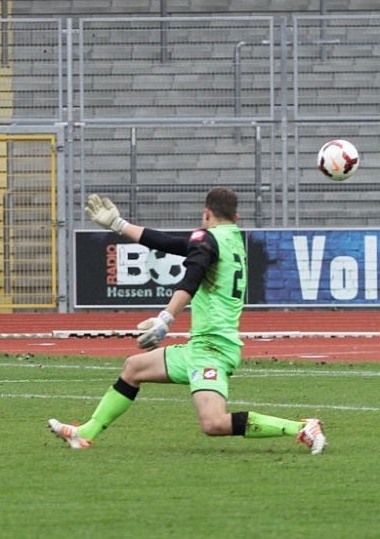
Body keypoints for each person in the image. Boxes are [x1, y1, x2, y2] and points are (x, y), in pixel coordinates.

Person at [49, 188, 327, 455]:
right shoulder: (232, 239)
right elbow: (171, 244)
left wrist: (165, 318)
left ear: (206, 213)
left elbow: (191, 277)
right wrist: (119, 225)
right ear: (235, 217)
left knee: (213, 423)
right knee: (133, 368)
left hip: (213, 349)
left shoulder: (207, 239)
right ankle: (85, 433)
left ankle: (302, 428)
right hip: (200, 347)